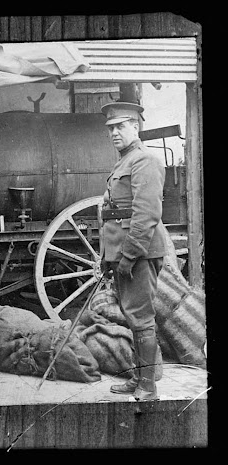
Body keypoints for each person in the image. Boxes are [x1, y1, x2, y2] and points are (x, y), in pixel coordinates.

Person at [99, 101, 168, 401]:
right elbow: (113, 213)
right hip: (123, 253)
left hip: (138, 253)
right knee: (132, 317)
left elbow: (145, 214)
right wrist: (108, 258)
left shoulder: (145, 161)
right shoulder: (125, 161)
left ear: (135, 127)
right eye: (111, 128)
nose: (114, 132)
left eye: (120, 126)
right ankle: (139, 378)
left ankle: (148, 387)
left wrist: (128, 256)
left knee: (141, 318)